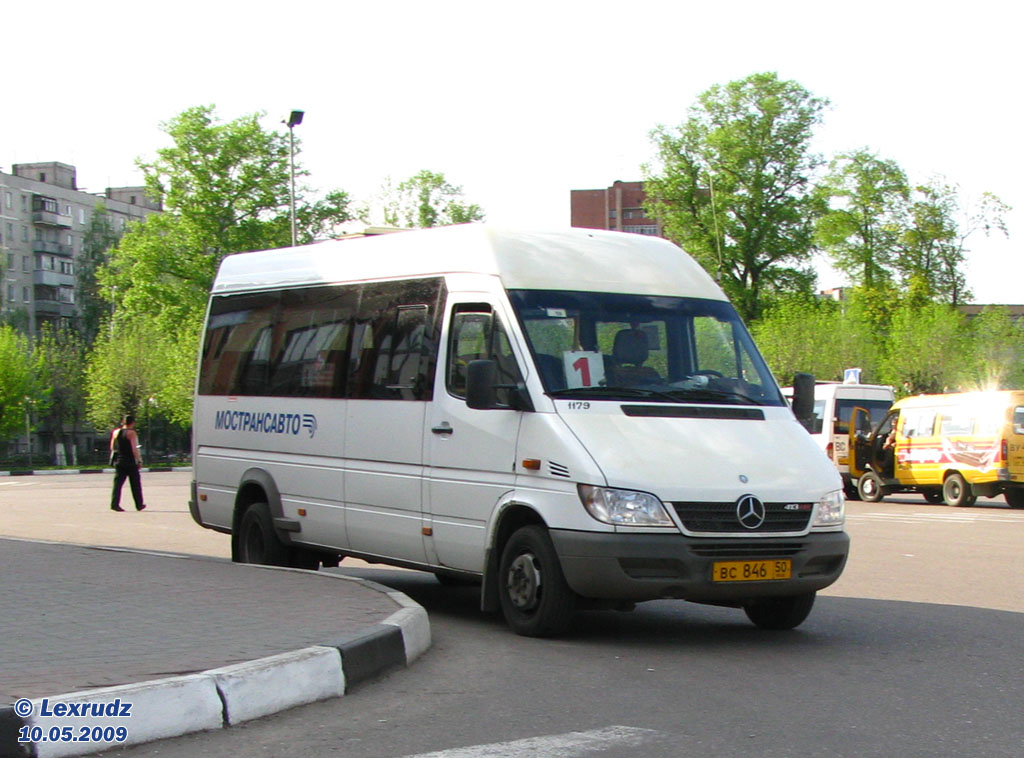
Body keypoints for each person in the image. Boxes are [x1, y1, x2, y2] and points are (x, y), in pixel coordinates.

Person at [110, 414, 146, 512]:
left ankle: (114, 504)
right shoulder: (131, 433)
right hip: (130, 461)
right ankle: (139, 504)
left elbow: (113, 447)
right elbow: (134, 449)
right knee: (135, 484)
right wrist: (139, 460)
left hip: (119, 461)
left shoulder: (116, 432)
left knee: (117, 484)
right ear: (133, 423)